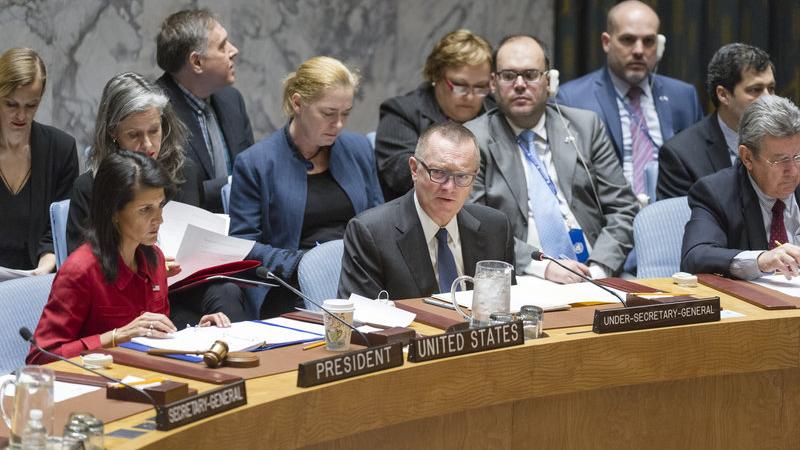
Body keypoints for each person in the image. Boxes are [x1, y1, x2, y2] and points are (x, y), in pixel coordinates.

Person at [67, 72, 248, 327]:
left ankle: (239, 347)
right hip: (126, 295)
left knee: (227, 293)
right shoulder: (90, 187)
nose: (148, 144)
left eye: (154, 130)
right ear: (113, 133)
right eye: (134, 135)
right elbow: (83, 269)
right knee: (191, 324)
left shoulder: (186, 172)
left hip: (183, 286)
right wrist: (150, 267)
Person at [28, 151, 231, 364]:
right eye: (145, 210)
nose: (159, 219)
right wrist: (116, 336)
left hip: (148, 373)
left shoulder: (155, 259)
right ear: (114, 212)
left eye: (160, 206)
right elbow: (40, 356)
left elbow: (154, 336)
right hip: (100, 378)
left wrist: (198, 332)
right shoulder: (80, 270)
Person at [465, 35, 637, 283]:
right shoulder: (474, 140)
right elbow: (476, 225)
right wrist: (543, 267)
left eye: (531, 74)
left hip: (595, 271)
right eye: (509, 75)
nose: (520, 84)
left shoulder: (585, 127)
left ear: (548, 81)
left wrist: (598, 270)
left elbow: (623, 208)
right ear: (493, 82)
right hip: (524, 276)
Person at [230, 56, 383, 317]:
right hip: (291, 286)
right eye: (328, 113)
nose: (338, 124)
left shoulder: (358, 149)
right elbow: (242, 245)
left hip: (358, 280)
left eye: (346, 113)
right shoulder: (256, 163)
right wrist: (305, 263)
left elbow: (378, 221)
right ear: (298, 103)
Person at [338, 122, 515, 300]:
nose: (449, 187)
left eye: (462, 176)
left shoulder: (495, 228)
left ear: (474, 178)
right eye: (439, 172)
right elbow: (362, 314)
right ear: (414, 169)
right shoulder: (372, 233)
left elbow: (507, 309)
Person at [555, 0, 703, 197]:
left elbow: (700, 167)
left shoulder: (683, 97)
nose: (639, 51)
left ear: (659, 45)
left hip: (674, 210)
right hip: (610, 211)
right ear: (606, 42)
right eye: (628, 40)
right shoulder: (572, 99)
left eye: (648, 41)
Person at [682, 96, 800, 280]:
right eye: (780, 160)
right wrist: (761, 260)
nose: (793, 171)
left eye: (798, 157)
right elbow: (695, 257)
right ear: (747, 157)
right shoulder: (716, 193)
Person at [375, 29, 492, 200]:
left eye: (481, 86)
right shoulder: (401, 112)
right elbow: (403, 176)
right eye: (460, 85)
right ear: (436, 75)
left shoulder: (495, 112)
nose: (470, 96)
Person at [156, 9, 254, 212]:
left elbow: (252, 168)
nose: (234, 51)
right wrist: (234, 185)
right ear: (197, 62)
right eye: (222, 46)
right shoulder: (155, 112)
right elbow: (172, 197)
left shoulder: (232, 99)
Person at [657, 43, 775, 199]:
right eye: (755, 90)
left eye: (771, 89)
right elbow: (679, 215)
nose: (769, 99)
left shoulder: (788, 143)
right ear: (723, 95)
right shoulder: (680, 156)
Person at [0, 47, 77, 273]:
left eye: (31, 105)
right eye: (11, 104)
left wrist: (44, 267)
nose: (21, 115)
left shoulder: (61, 149)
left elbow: (59, 227)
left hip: (36, 275)